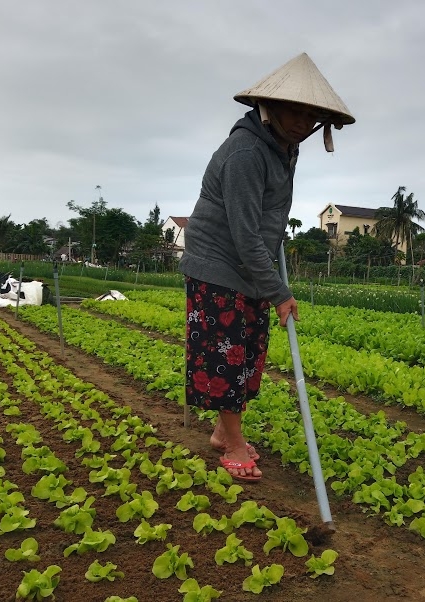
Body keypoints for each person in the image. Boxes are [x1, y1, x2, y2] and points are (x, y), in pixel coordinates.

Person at [179, 53, 354, 482]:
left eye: (311, 115)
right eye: (295, 111)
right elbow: (244, 233)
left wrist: (270, 273)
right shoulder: (246, 152)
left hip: (250, 266)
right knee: (226, 356)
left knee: (249, 352)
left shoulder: (283, 149)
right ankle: (234, 444)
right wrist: (279, 292)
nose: (303, 122)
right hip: (218, 265)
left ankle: (223, 431)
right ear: (269, 107)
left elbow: (265, 218)